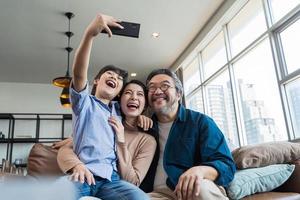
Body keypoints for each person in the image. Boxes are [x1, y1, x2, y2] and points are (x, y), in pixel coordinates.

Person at [69, 12, 150, 200]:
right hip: (83, 175)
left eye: (120, 78)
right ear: (96, 81)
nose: (115, 77)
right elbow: (79, 74)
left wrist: (142, 116)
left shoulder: (117, 109)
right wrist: (90, 34)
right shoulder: (84, 103)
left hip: (111, 180)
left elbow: (133, 109)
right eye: (109, 74)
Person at [145, 69, 236, 200]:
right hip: (157, 194)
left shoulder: (200, 122)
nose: (158, 91)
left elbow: (227, 166)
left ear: (178, 94)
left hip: (194, 187)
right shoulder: (145, 127)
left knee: (201, 189)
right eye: (152, 88)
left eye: (165, 86)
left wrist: (200, 171)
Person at [57, 80, 157, 192]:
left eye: (140, 94)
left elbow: (132, 182)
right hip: (87, 179)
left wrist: (121, 141)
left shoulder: (147, 141)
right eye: (128, 92)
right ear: (120, 100)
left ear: (145, 105)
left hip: (114, 188)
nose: (134, 97)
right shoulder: (103, 122)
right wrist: (77, 165)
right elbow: (66, 149)